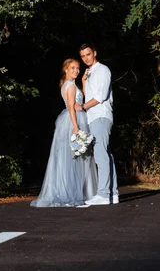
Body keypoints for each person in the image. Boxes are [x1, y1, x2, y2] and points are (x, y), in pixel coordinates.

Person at [30, 59, 97, 207]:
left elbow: (82, 96)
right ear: (66, 69)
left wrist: (84, 80)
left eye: (78, 68)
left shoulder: (67, 85)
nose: (76, 70)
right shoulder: (70, 86)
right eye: (72, 68)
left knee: (71, 156)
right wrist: (75, 127)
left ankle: (74, 189)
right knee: (77, 156)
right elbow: (72, 107)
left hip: (68, 120)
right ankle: (76, 191)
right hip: (74, 120)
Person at [79, 43, 119, 205]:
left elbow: (100, 96)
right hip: (94, 117)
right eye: (83, 56)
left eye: (88, 54)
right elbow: (88, 95)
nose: (86, 58)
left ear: (94, 53)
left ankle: (103, 194)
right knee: (105, 154)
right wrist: (83, 81)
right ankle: (113, 194)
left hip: (100, 116)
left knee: (100, 155)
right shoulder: (89, 73)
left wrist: (82, 107)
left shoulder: (102, 70)